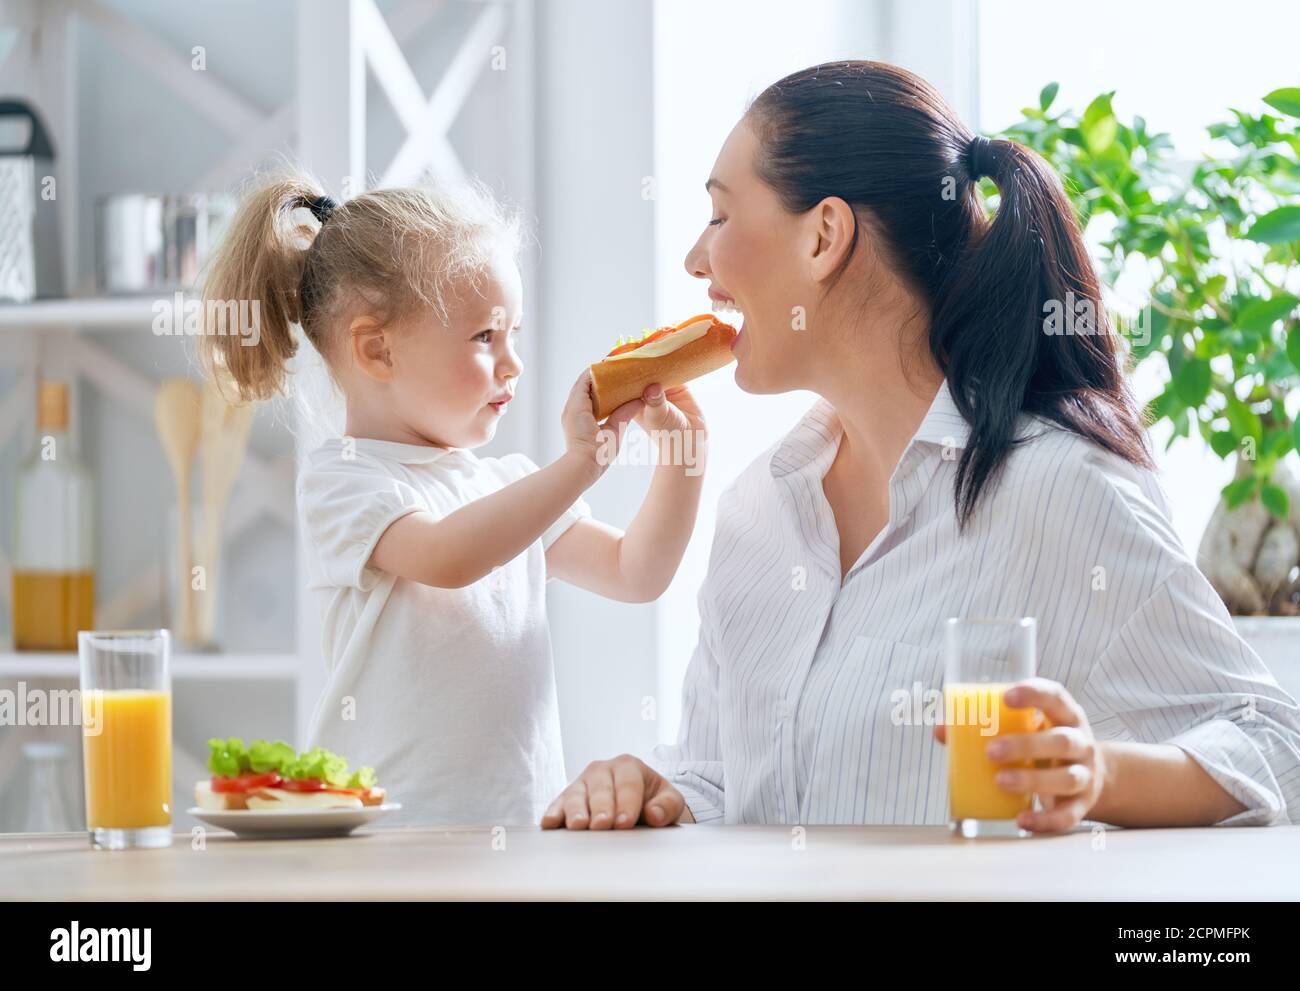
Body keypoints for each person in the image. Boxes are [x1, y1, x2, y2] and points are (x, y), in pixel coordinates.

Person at [542, 60, 1300, 833]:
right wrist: (653, 791)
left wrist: (1099, 773)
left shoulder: (1055, 487)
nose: (696, 262)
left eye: (720, 217)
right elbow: (723, 783)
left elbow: (1278, 745)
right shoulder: (753, 515)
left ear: (825, 236)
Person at [199, 173, 705, 826]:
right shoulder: (344, 479)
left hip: (521, 834)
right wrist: (579, 465)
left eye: (513, 333)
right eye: (485, 337)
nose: (513, 362)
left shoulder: (506, 487)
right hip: (391, 843)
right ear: (376, 349)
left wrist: (684, 462)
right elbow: (446, 556)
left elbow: (636, 572)